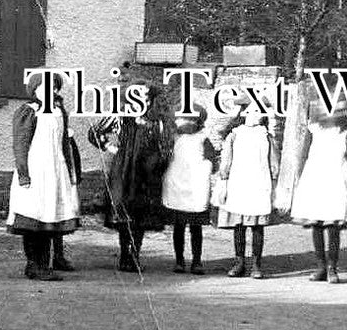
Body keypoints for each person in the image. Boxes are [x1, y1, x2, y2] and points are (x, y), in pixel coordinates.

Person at [89, 82, 173, 272]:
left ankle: (135, 256)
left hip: (147, 173)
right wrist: (111, 148)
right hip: (125, 171)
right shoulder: (120, 116)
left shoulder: (155, 119)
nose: (143, 99)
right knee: (125, 214)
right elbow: (94, 133)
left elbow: (165, 143)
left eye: (146, 96)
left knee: (141, 216)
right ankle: (125, 256)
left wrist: (160, 162)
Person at [7, 72, 82, 281]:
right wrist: (24, 174)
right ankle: (34, 265)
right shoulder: (28, 111)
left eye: (54, 87)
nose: (51, 91)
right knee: (34, 217)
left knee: (50, 217)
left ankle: (45, 263)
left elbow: (64, 144)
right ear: (35, 90)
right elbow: (20, 145)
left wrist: (70, 172)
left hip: (56, 170)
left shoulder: (59, 111)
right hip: (36, 170)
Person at [290, 99, 347, 283]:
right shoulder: (314, 130)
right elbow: (304, 154)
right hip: (315, 179)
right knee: (316, 224)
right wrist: (301, 177)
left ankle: (332, 268)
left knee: (333, 225)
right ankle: (320, 266)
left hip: (336, 180)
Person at [215, 96, 278, 279]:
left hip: (259, 184)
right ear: (242, 113)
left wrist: (274, 184)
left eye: (258, 111)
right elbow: (226, 161)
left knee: (257, 227)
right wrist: (224, 180)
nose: (254, 115)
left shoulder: (266, 136)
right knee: (239, 226)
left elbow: (274, 162)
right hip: (239, 184)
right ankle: (239, 262)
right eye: (250, 111)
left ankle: (256, 264)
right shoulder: (235, 135)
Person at [162, 102, 217, 275]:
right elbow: (166, 157)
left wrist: (206, 168)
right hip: (177, 186)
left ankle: (196, 260)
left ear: (197, 122)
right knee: (178, 226)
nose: (185, 123)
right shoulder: (174, 139)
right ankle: (179, 260)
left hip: (196, 188)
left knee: (195, 227)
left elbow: (212, 161)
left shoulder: (203, 139)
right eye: (182, 119)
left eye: (190, 119)